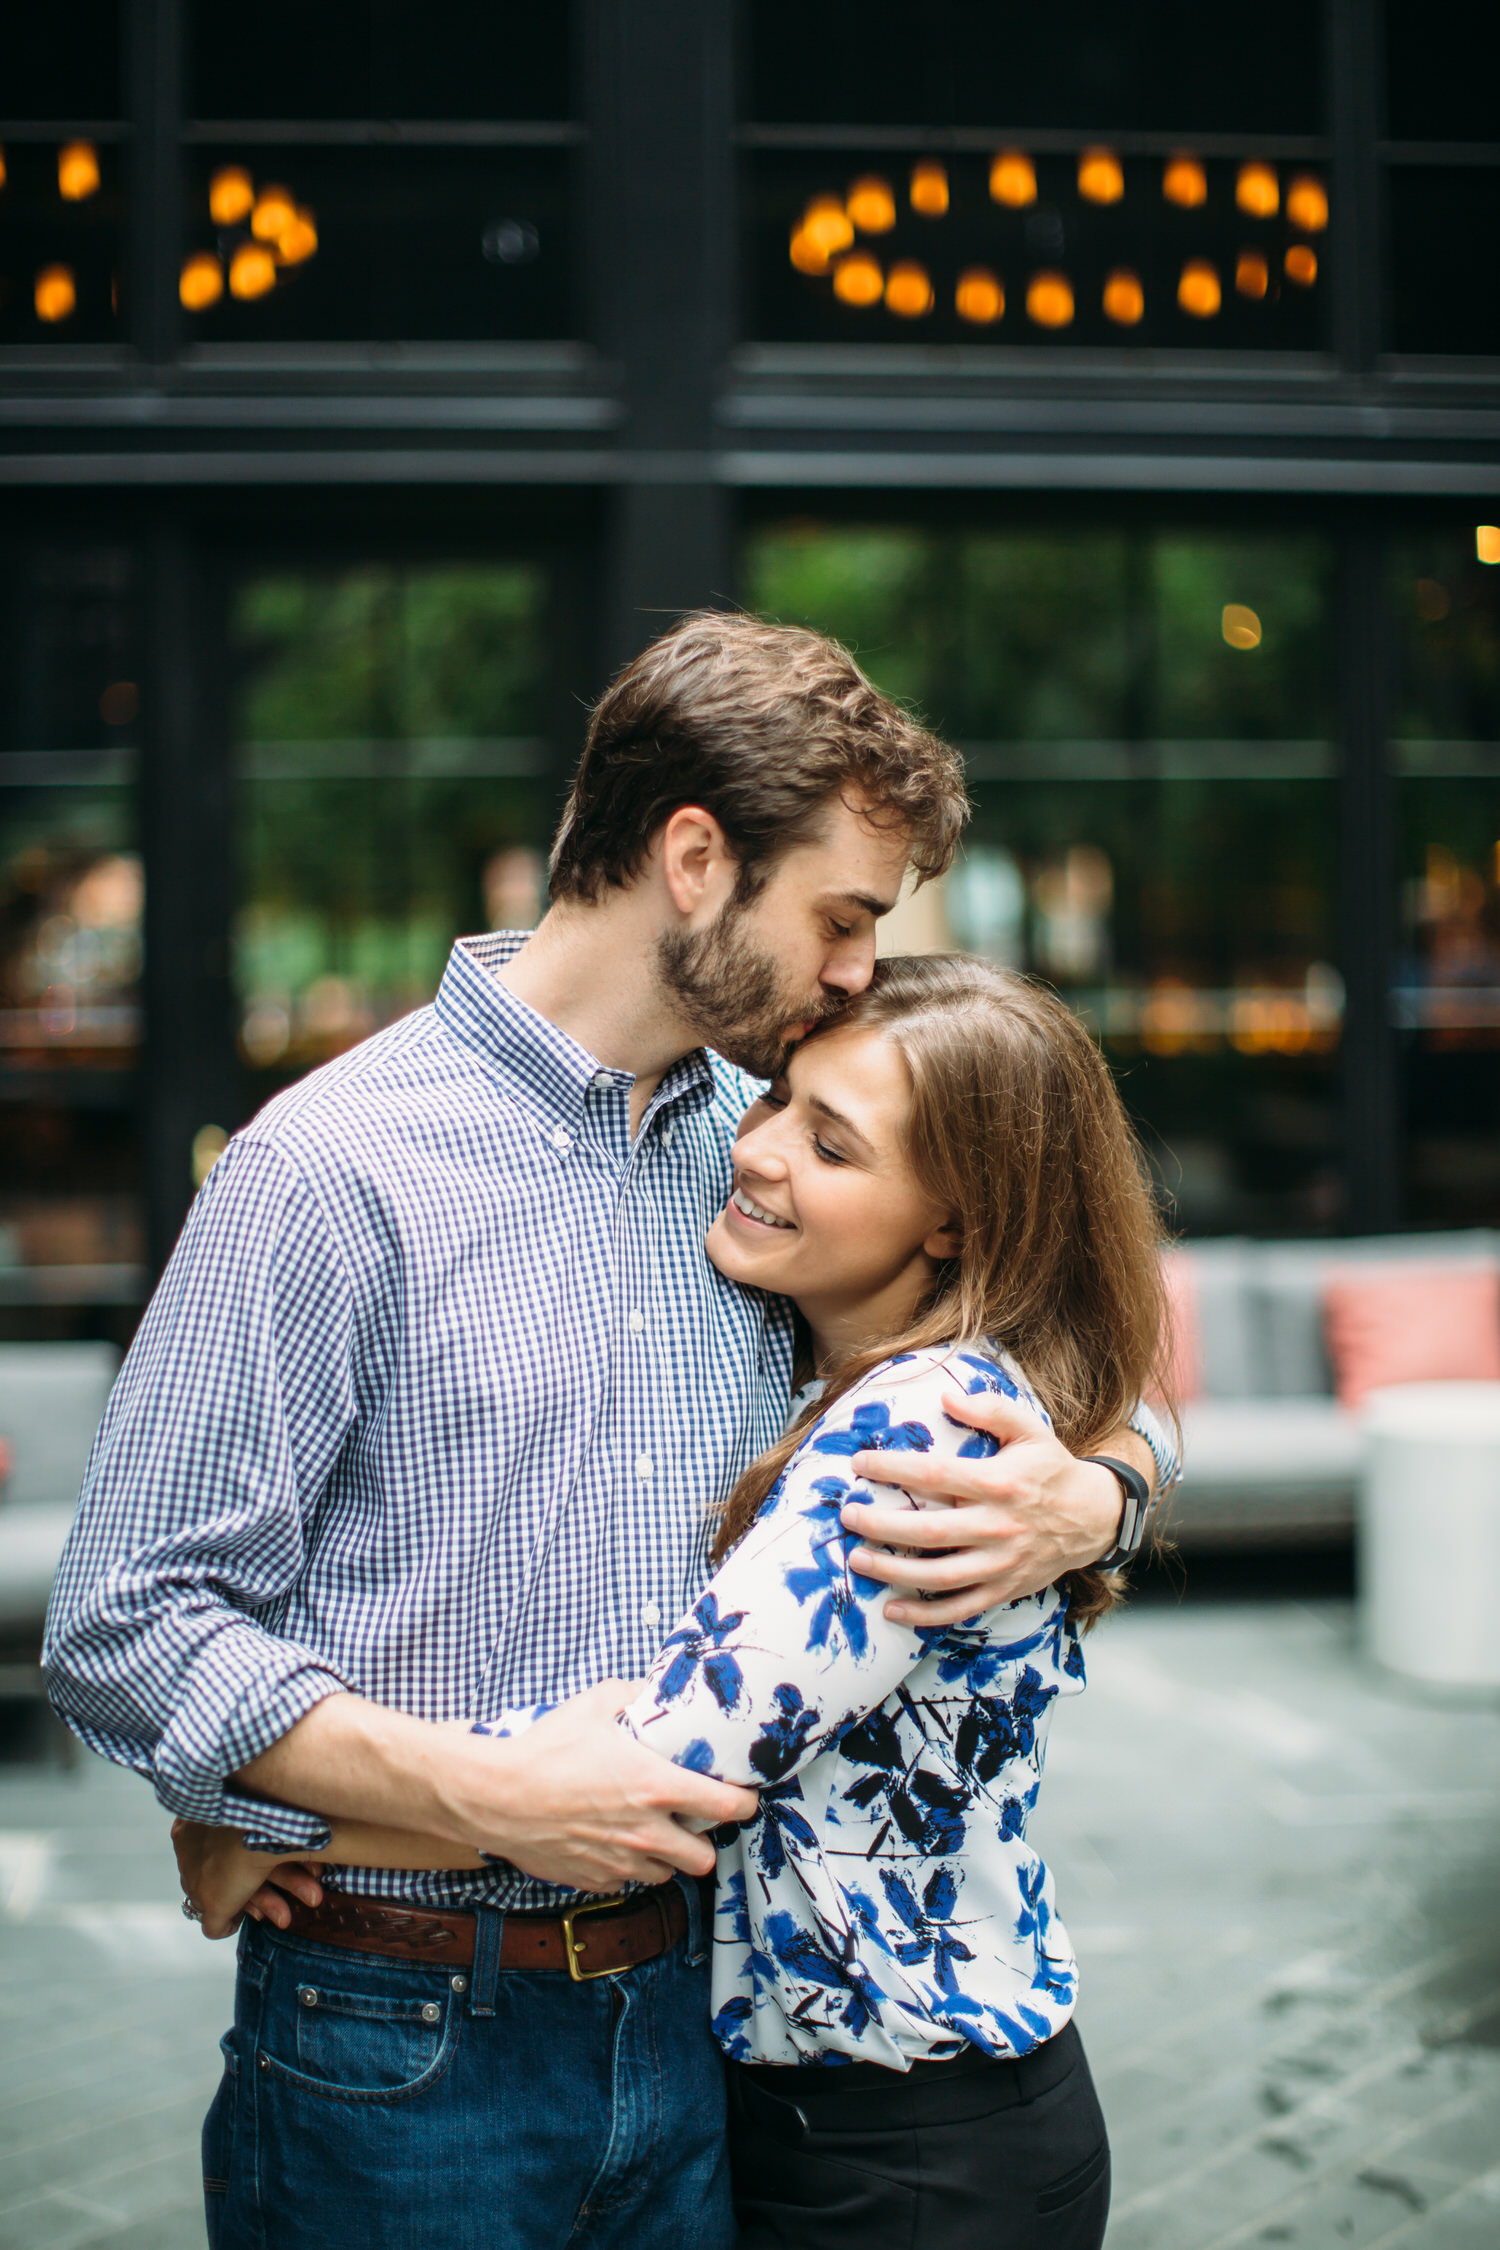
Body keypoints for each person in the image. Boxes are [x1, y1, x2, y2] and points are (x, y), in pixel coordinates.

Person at [46, 613, 1172, 2250]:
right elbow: (124, 1619)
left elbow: (1049, 1334)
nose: (860, 968)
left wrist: (1101, 1498)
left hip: (701, 2045)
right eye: (843, 915)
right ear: (698, 859)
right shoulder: (331, 1168)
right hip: (402, 2047)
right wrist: (450, 1794)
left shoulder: (775, 1161)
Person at [181, 955, 1169, 2248]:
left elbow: (661, 1771)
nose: (753, 1150)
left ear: (951, 1220)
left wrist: (291, 1819)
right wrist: (1114, 1488)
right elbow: (1127, 1410)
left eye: (832, 1142)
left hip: (908, 2151)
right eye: (776, 1102)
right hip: (869, 2113)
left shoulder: (920, 1433)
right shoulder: (867, 1362)